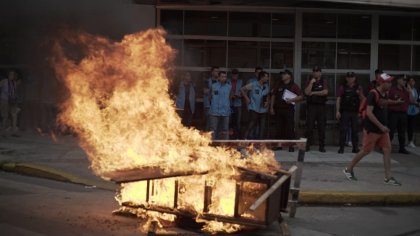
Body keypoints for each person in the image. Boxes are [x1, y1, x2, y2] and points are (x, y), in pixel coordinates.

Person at [343, 73, 401, 186]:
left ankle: (388, 177)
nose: (390, 84)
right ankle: (348, 169)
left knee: (387, 150)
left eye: (390, 82)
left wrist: (395, 103)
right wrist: (381, 126)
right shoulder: (372, 94)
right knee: (366, 150)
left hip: (382, 130)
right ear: (381, 82)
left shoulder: (384, 93)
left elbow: (383, 103)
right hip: (373, 129)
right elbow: (369, 113)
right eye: (388, 82)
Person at [270, 70, 303, 152]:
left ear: (289, 76)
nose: (283, 76)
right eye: (282, 74)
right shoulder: (278, 84)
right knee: (278, 128)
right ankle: (278, 145)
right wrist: (271, 107)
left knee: (290, 128)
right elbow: (273, 96)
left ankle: (291, 146)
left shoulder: (294, 85)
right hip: (278, 109)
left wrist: (292, 99)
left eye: (284, 74)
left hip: (289, 109)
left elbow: (301, 96)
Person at [336, 72, 365, 154]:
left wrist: (359, 95)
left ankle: (355, 148)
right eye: (348, 77)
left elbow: (363, 99)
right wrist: (337, 111)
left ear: (354, 78)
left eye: (352, 77)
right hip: (345, 111)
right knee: (343, 130)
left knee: (355, 131)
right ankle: (341, 148)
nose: (350, 79)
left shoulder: (358, 87)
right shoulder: (342, 87)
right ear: (346, 78)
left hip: (355, 112)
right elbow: (338, 99)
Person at [304, 66, 328, 152]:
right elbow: (307, 92)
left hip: (321, 107)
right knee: (309, 126)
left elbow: (325, 92)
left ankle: (322, 146)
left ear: (320, 73)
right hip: (311, 107)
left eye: (317, 71)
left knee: (321, 127)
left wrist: (313, 92)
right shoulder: (309, 80)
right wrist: (311, 83)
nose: (315, 73)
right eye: (314, 71)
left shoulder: (323, 80)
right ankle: (307, 145)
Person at [241, 71, 270, 140]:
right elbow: (242, 89)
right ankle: (244, 140)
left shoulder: (266, 86)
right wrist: (247, 98)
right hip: (254, 108)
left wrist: (267, 102)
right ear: (262, 77)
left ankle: (260, 143)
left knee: (262, 127)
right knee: (251, 125)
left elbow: (268, 96)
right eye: (266, 77)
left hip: (263, 109)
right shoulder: (253, 84)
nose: (267, 78)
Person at [208, 71, 232, 140]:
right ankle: (212, 144)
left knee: (225, 129)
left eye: (225, 77)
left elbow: (230, 98)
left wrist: (226, 105)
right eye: (222, 76)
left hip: (225, 112)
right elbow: (209, 97)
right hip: (214, 111)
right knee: (213, 129)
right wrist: (213, 105)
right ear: (218, 77)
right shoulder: (213, 86)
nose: (224, 78)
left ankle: (225, 146)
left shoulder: (229, 87)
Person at [203, 66, 219, 131]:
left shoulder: (219, 82)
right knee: (208, 122)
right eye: (216, 71)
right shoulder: (207, 81)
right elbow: (205, 91)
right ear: (212, 72)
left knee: (215, 124)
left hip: (217, 106)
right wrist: (213, 90)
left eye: (218, 71)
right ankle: (206, 138)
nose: (217, 73)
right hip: (208, 105)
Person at [229, 69, 243, 139]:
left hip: (238, 104)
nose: (235, 75)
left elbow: (243, 91)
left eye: (236, 74)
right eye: (234, 74)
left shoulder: (241, 82)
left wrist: (238, 95)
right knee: (230, 121)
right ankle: (230, 136)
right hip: (229, 104)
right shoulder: (228, 81)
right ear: (231, 75)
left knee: (237, 121)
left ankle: (237, 137)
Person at [406, 77, 420, 148]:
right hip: (406, 110)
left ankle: (410, 141)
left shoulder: (416, 90)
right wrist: (415, 102)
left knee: (411, 126)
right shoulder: (406, 90)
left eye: (413, 80)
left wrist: (417, 103)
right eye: (411, 81)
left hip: (415, 111)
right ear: (408, 82)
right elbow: (409, 100)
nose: (412, 82)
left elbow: (418, 99)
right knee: (404, 126)